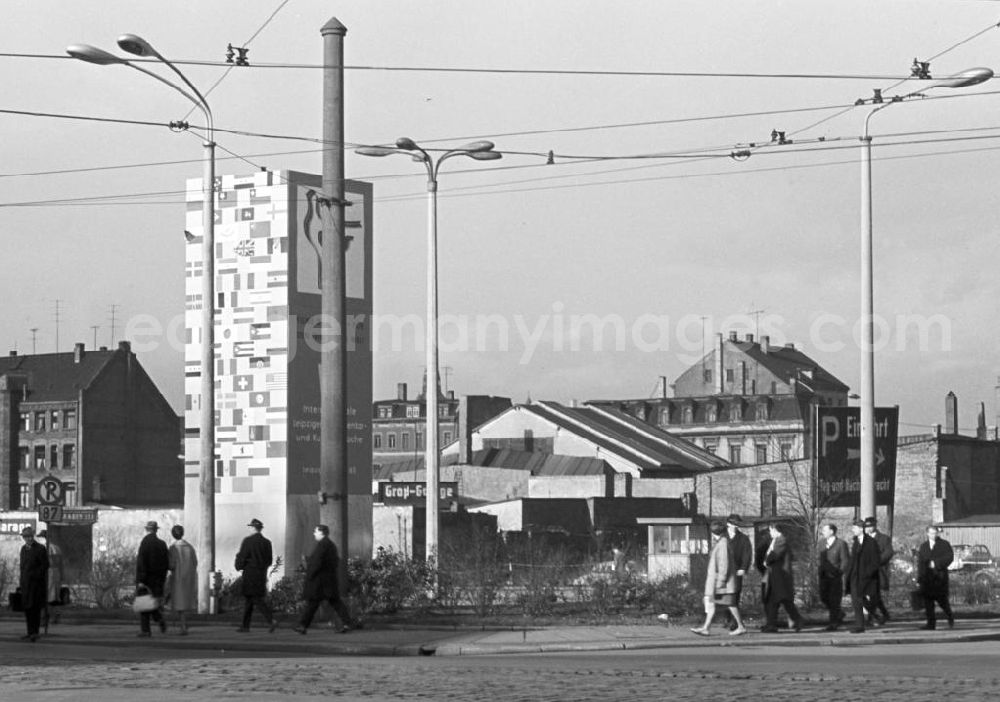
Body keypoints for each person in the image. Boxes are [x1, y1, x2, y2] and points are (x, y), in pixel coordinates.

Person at [294, 524, 355, 634]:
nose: (314, 533)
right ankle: (347, 623)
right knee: (333, 602)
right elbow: (333, 561)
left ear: (321, 532)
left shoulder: (323, 545)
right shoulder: (330, 545)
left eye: (315, 531)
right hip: (328, 580)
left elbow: (317, 562)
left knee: (313, 603)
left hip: (320, 582)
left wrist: (310, 573)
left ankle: (303, 626)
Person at [690, 521, 746, 636]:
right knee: (713, 603)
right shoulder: (722, 543)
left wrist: (720, 581)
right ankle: (706, 627)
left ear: (714, 533)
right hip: (718, 581)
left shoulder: (723, 544)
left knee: (730, 604)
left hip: (722, 583)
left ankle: (740, 626)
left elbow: (723, 564)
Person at [234, 518, 277, 632]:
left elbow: (242, 557)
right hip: (261, 574)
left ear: (253, 528)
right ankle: (245, 625)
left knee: (256, 599)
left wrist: (239, 566)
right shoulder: (267, 542)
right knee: (250, 599)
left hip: (250, 574)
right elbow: (269, 560)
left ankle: (271, 619)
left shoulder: (248, 541)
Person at [761, 522, 803, 633]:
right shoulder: (776, 541)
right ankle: (772, 624)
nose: (770, 533)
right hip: (775, 575)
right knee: (775, 601)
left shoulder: (781, 540)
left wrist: (766, 561)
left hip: (780, 576)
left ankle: (796, 620)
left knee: (782, 600)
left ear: (775, 530)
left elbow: (774, 555)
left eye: (770, 530)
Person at [844, 518, 880, 634]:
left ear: (860, 529)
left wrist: (868, 573)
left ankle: (862, 624)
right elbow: (853, 559)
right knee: (857, 600)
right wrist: (848, 573)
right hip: (855, 576)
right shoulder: (856, 542)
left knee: (859, 599)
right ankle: (862, 623)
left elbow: (875, 561)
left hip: (865, 577)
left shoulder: (871, 542)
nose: (852, 530)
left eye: (854, 528)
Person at [916, 525, 955, 630]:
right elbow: (920, 563)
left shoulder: (944, 544)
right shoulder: (923, 546)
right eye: (931, 533)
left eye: (935, 533)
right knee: (928, 602)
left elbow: (949, 557)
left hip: (940, 577)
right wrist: (919, 579)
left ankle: (950, 616)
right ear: (927, 534)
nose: (934, 535)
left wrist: (937, 563)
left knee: (942, 601)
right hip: (927, 579)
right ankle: (931, 623)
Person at [136, 520, 169, 637]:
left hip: (146, 579)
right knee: (153, 602)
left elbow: (142, 563)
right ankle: (159, 618)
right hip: (158, 580)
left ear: (147, 529)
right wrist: (162, 579)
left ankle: (145, 630)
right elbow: (166, 563)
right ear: (156, 530)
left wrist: (141, 580)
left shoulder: (145, 542)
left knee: (144, 604)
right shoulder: (162, 544)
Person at [817, 523, 850, 631]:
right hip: (823, 576)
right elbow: (818, 558)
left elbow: (845, 560)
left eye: (825, 530)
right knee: (823, 597)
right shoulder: (821, 543)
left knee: (834, 600)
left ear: (831, 531)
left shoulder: (841, 544)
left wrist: (840, 572)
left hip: (835, 577)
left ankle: (833, 623)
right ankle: (839, 613)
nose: (823, 532)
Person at [167, 525, 198, 635]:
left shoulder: (173, 548)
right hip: (189, 577)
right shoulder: (190, 547)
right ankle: (183, 625)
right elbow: (195, 562)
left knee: (180, 604)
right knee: (186, 602)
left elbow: (171, 565)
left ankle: (183, 626)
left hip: (178, 578)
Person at [19, 526, 48, 642]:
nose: (28, 539)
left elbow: (45, 565)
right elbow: (22, 567)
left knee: (35, 609)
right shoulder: (23, 549)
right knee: (27, 609)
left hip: (36, 585)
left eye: (30, 536)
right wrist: (21, 582)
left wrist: (35, 575)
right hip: (26, 584)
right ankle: (29, 632)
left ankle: (35, 632)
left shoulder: (40, 549)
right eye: (26, 537)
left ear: (33, 536)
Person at [724, 514, 752, 631]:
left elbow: (747, 554)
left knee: (735, 596)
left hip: (736, 571)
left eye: (737, 525)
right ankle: (728, 619)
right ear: (728, 524)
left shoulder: (743, 539)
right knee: (725, 597)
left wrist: (743, 568)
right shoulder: (722, 537)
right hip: (724, 572)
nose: (735, 527)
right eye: (733, 524)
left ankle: (734, 622)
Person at [865, 516, 893, 625]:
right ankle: (884, 615)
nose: (867, 528)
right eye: (866, 526)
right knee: (870, 595)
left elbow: (888, 552)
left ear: (874, 526)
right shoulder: (863, 538)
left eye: (870, 526)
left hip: (878, 570)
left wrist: (876, 562)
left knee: (874, 594)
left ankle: (871, 617)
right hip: (865, 571)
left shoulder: (883, 538)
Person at [38, 529, 64, 631]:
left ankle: (46, 618)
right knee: (53, 597)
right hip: (55, 573)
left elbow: (48, 562)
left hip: (49, 572)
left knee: (47, 597)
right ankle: (54, 616)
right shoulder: (56, 548)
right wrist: (62, 574)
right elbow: (61, 563)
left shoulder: (46, 548)